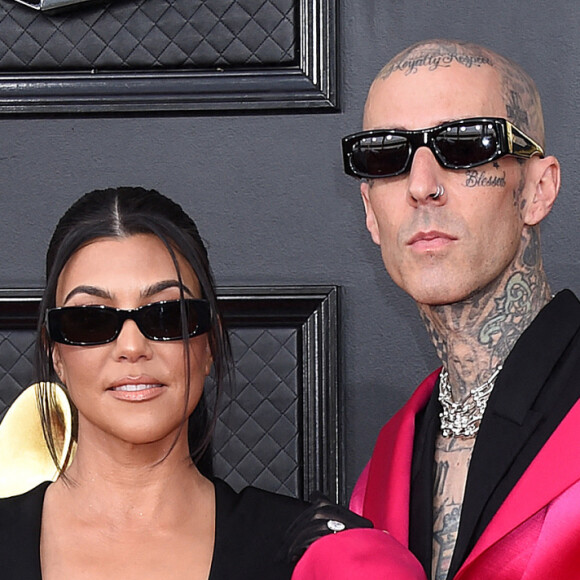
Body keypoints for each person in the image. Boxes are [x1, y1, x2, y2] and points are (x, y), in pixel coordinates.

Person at [295, 39, 580, 579]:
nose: (422, 187)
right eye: (386, 155)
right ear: (370, 213)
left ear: (538, 189)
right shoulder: (385, 468)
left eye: (467, 145)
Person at [0, 186, 315, 579]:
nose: (132, 347)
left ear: (210, 342)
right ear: (55, 353)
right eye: (91, 320)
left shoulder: (304, 553)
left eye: (167, 316)